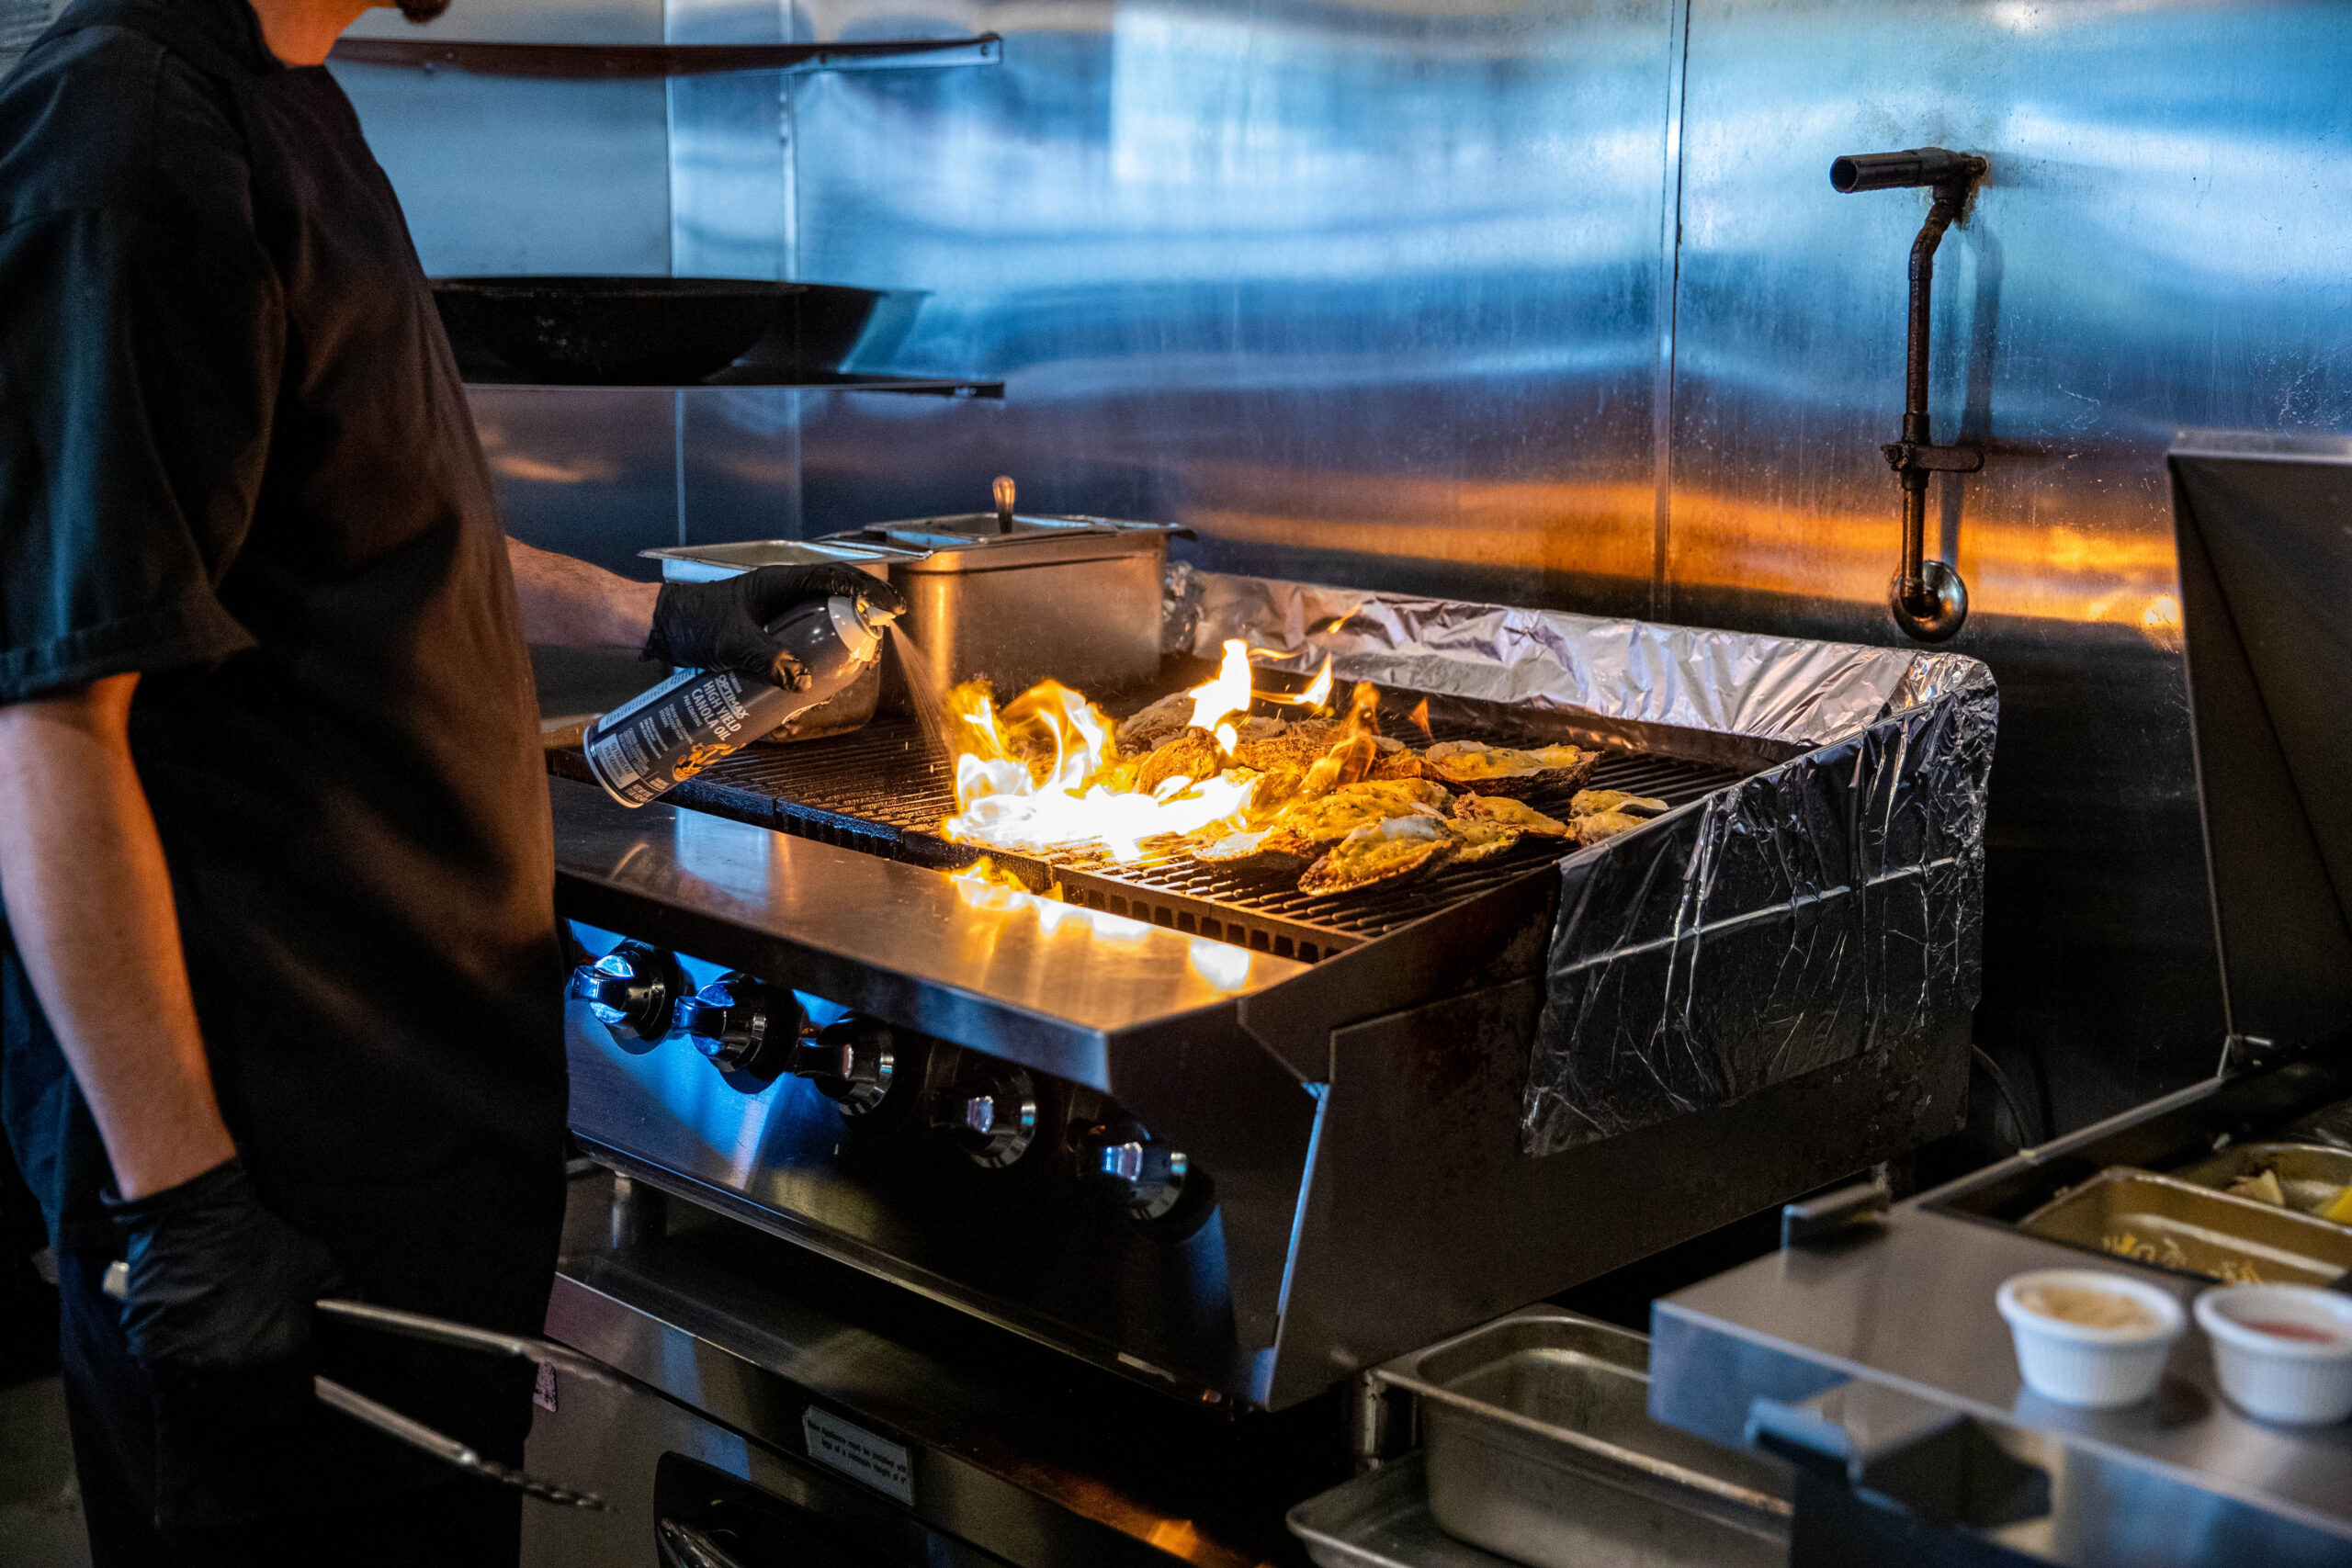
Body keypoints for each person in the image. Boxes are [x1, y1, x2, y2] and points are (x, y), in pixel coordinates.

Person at [0, 0, 904, 1555]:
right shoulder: (131, 135)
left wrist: (660, 615)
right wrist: (183, 1205)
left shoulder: (290, 102)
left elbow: (368, 517)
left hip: (399, 1115)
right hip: (257, 1144)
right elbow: (47, 727)